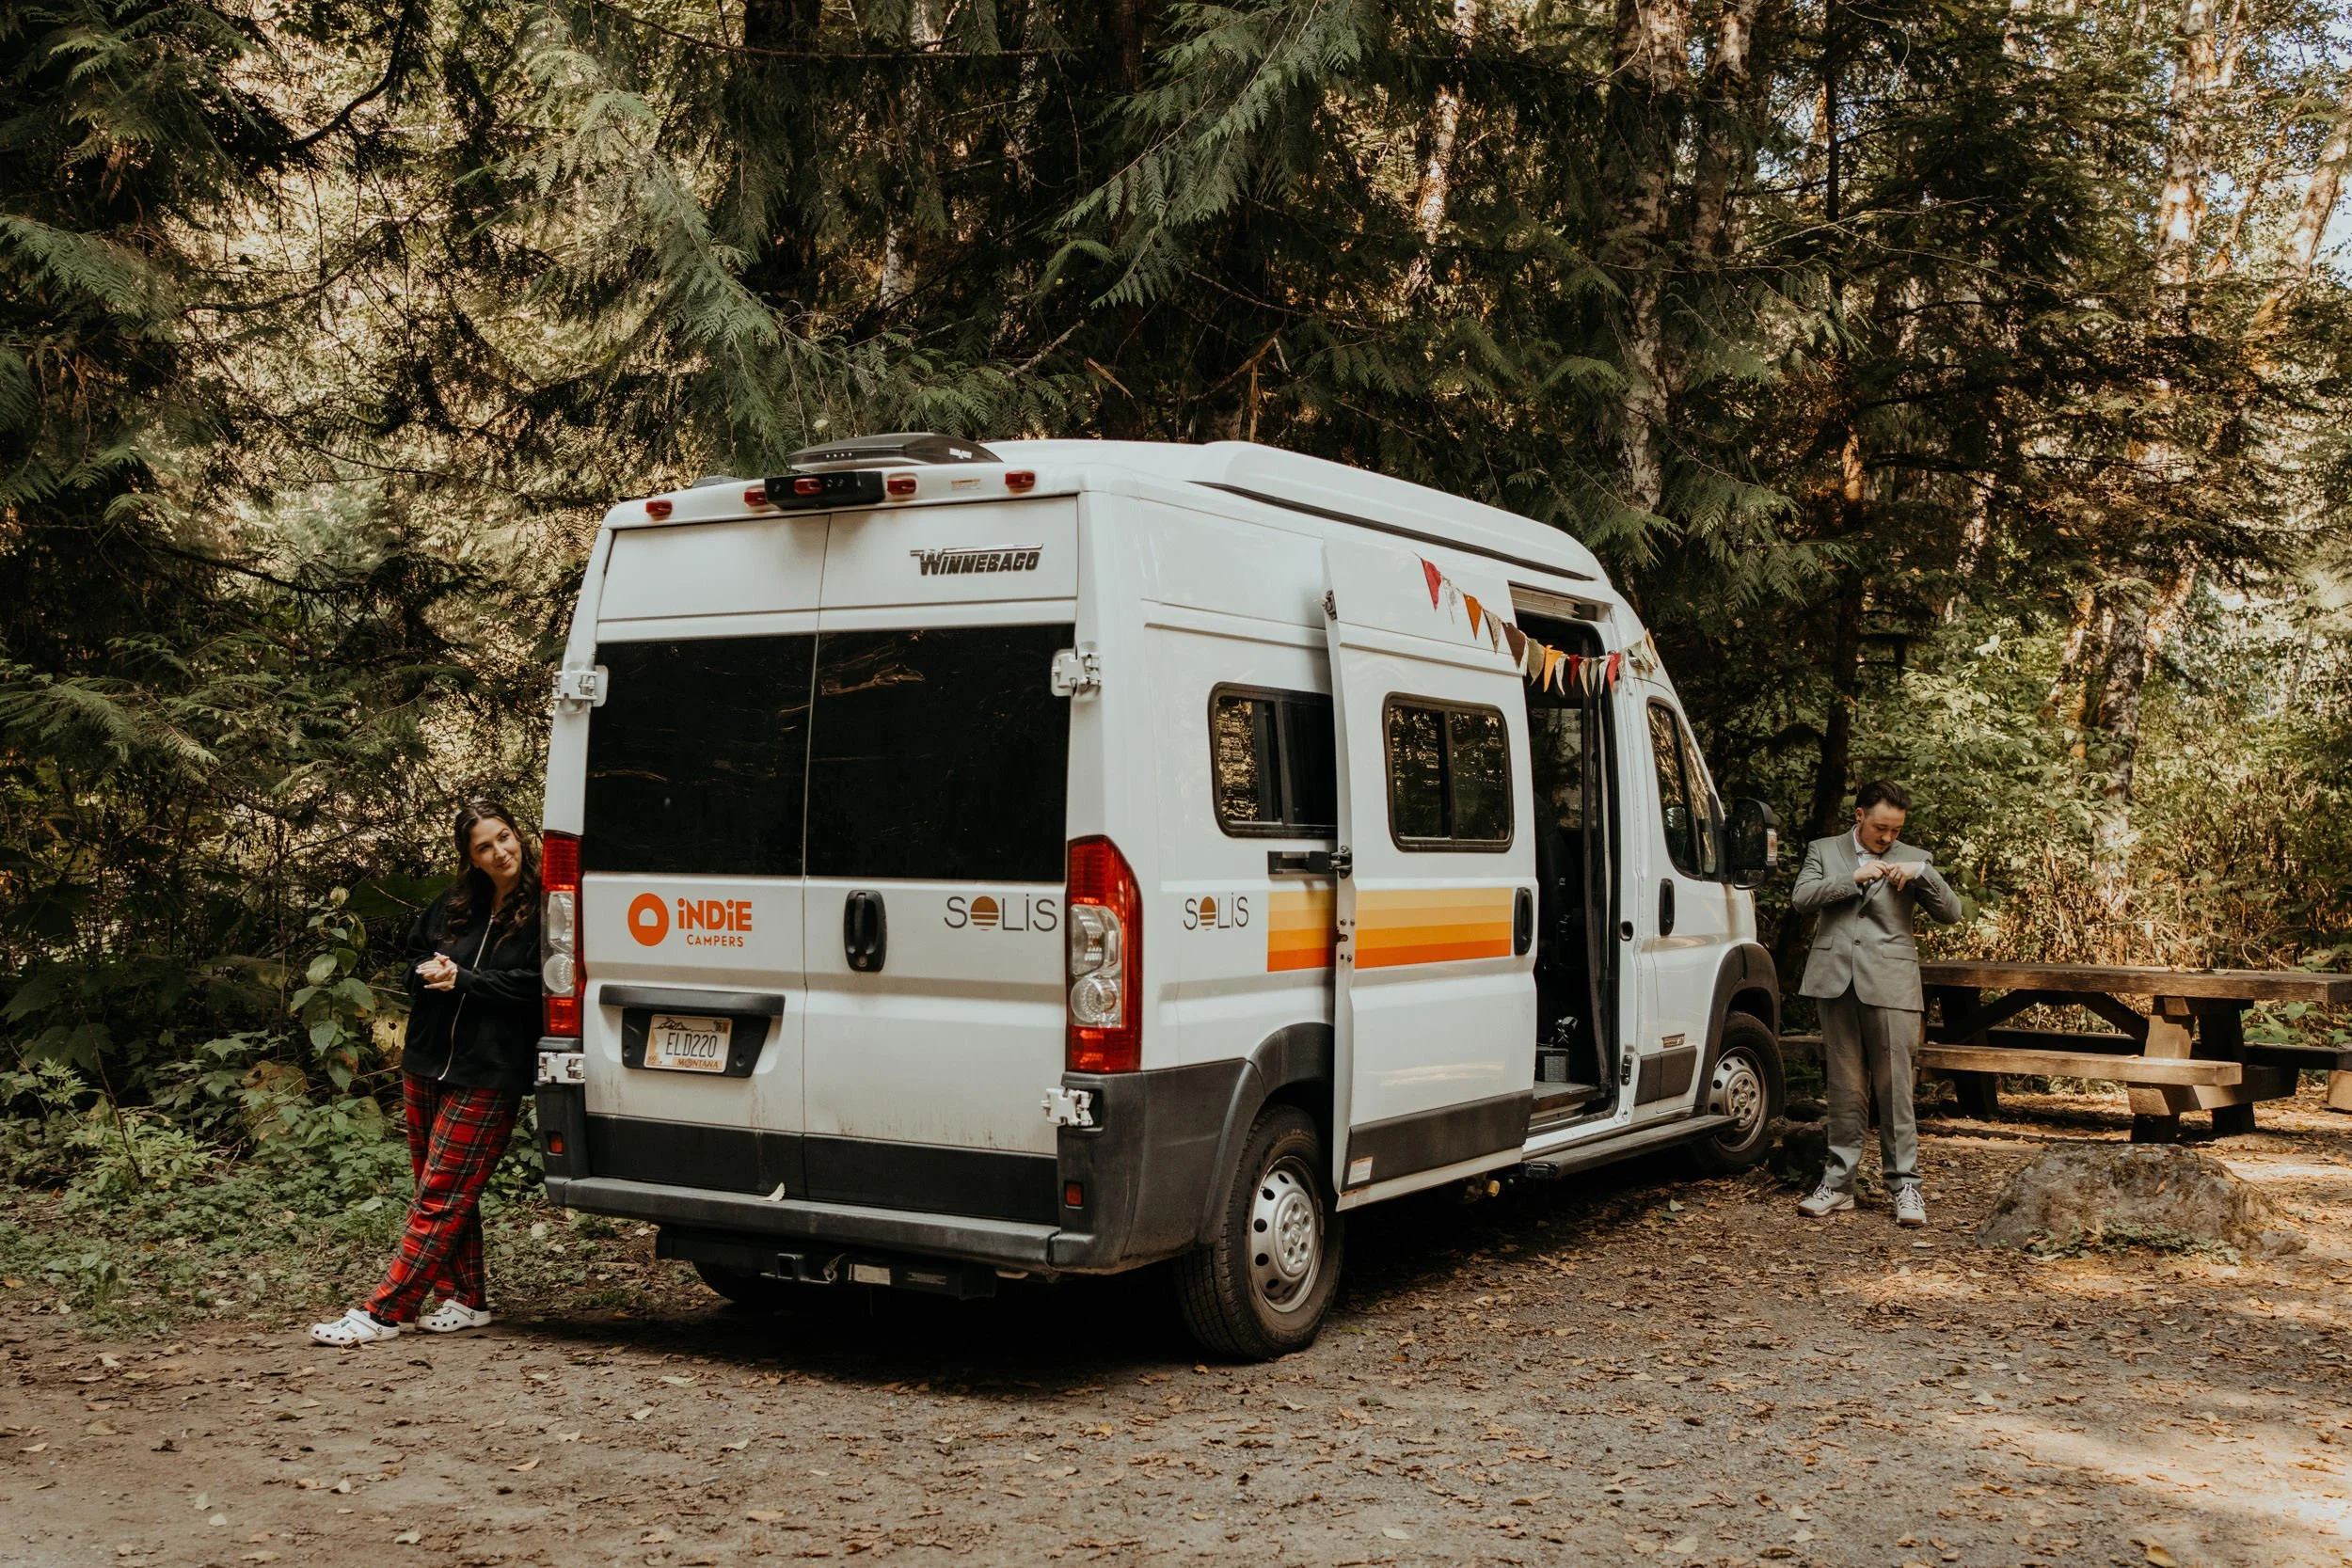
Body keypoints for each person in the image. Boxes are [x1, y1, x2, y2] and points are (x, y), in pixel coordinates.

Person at [310, 800, 544, 1344]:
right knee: (440, 1188)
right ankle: (466, 1298)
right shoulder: (457, 901)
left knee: (440, 1192)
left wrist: (464, 980)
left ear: (519, 835)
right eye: (484, 846)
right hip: (427, 1060)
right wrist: (430, 971)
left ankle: (384, 1312)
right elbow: (414, 955)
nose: (500, 851)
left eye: (504, 837)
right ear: (471, 857)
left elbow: (536, 985)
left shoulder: (547, 907)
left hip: (491, 1068)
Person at [1789, 780, 1962, 1227]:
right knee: (1845, 1090)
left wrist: (1923, 874)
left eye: (1895, 829)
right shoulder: (1823, 850)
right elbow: (1802, 899)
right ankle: (1838, 1185)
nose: (1887, 838)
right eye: (1880, 828)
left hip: (1892, 984)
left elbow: (1951, 913)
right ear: (1859, 815)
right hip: (1835, 982)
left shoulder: (1915, 858)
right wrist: (1852, 879)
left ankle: (1906, 1187)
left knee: (1895, 1089)